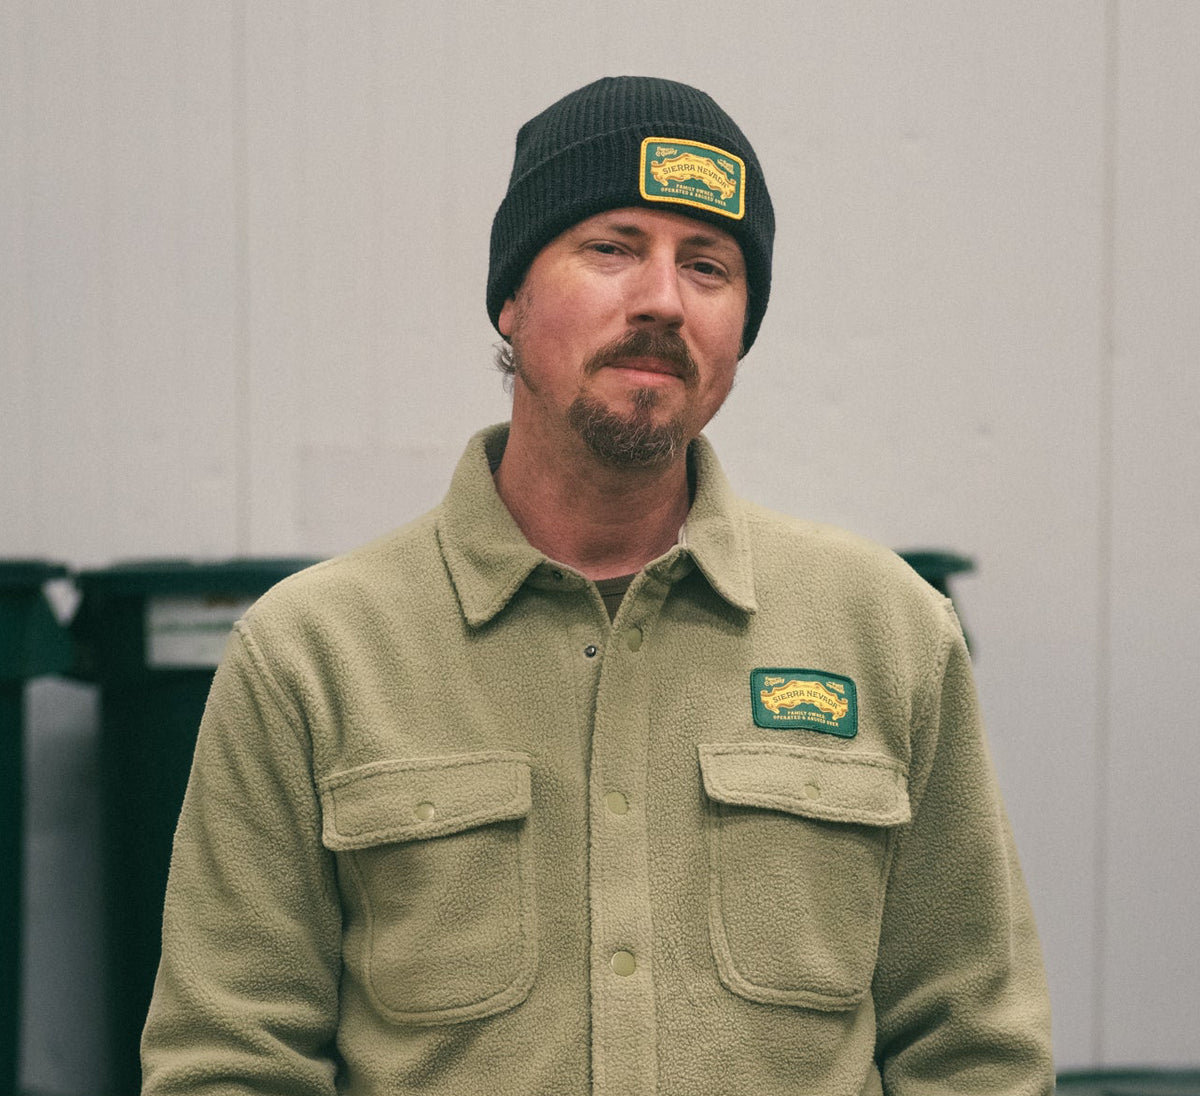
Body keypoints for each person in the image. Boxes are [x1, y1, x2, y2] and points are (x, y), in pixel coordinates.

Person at [141, 76, 1054, 1095]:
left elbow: (975, 1048)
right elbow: (230, 1059)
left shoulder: (888, 634)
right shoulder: (316, 653)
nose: (663, 299)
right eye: (612, 247)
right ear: (511, 297)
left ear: (740, 334)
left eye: (708, 266)